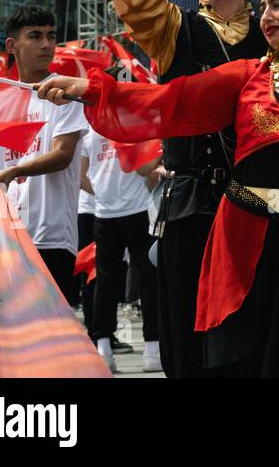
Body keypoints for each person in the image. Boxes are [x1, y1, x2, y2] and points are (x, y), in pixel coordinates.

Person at [38, 0, 279, 378]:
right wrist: (89, 88)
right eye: (262, 8)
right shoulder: (244, 76)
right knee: (240, 354)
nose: (266, 16)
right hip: (243, 237)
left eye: (277, 5)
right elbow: (169, 100)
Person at [89, 0, 268, 377]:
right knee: (189, 348)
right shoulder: (171, 30)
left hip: (264, 206)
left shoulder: (278, 29)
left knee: (257, 343)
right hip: (191, 209)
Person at [0, 7, 89, 303]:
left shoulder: (63, 92)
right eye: (35, 36)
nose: (46, 44)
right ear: (12, 45)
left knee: (51, 333)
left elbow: (62, 154)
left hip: (52, 237)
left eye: (51, 36)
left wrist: (14, 172)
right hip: (9, 235)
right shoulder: (1, 101)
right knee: (18, 336)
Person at [83, 124, 162, 373]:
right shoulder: (130, 127)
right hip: (136, 210)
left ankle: (103, 348)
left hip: (104, 213)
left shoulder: (92, 131)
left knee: (105, 280)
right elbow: (142, 169)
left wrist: (104, 195)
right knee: (148, 277)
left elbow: (80, 177)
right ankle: (153, 349)